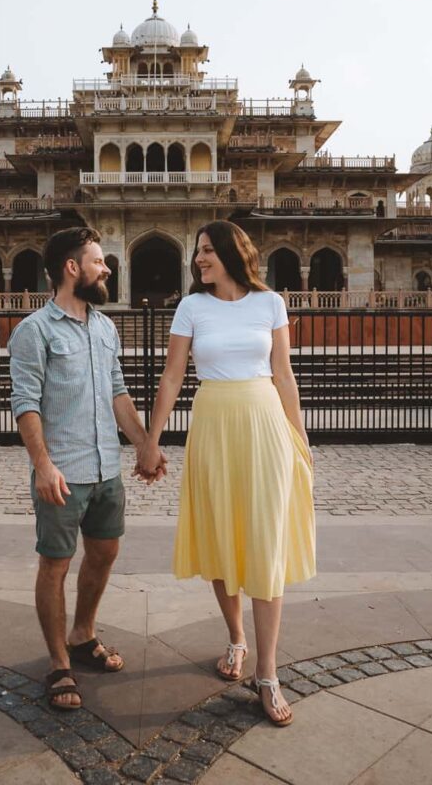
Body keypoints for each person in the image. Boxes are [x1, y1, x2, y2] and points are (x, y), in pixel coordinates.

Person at [138, 220, 315, 727]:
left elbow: (284, 374)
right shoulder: (192, 307)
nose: (199, 259)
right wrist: (151, 440)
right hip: (213, 424)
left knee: (265, 541)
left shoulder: (270, 303)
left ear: (234, 254)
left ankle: (268, 672)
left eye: (208, 250)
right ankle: (237, 638)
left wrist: (300, 439)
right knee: (222, 537)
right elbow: (173, 375)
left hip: (264, 424)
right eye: (198, 251)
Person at [8, 226, 167, 713]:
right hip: (63, 471)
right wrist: (42, 465)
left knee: (104, 553)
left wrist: (144, 445)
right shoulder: (35, 330)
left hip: (105, 469)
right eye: (99, 262)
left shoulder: (105, 328)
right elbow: (25, 403)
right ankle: (59, 663)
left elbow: (118, 392)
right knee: (55, 564)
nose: (107, 270)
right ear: (72, 267)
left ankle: (82, 633)